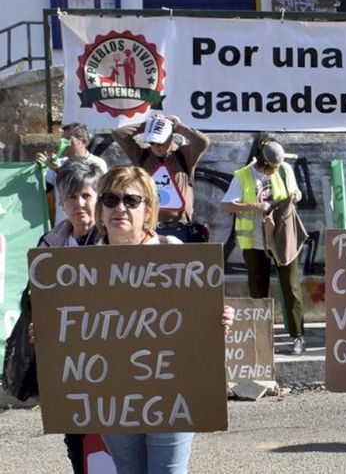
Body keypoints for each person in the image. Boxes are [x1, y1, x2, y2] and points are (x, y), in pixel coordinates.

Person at [94, 165, 234, 474]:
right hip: (112, 394)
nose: (120, 208)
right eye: (110, 199)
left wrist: (218, 320)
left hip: (172, 391)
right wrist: (51, 334)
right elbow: (73, 330)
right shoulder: (81, 270)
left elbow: (198, 321)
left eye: (131, 200)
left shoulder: (174, 254)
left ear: (148, 210)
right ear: (100, 211)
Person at [33, 159, 103, 474]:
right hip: (70, 364)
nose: (80, 204)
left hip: (115, 360)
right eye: (72, 198)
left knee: (115, 442)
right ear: (61, 202)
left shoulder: (115, 241)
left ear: (98, 198)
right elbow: (35, 298)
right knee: (77, 440)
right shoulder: (50, 245)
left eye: (86, 196)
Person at [220, 141, 307, 354]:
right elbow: (225, 205)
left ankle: (298, 337)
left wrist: (295, 195)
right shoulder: (243, 176)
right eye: (270, 167)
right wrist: (254, 207)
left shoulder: (285, 169)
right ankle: (260, 339)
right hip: (255, 242)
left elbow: (297, 192)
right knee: (258, 291)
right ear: (260, 160)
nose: (274, 170)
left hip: (282, 239)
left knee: (291, 288)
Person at [111, 113, 211, 242]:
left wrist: (177, 126)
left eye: (160, 142)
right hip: (150, 228)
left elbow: (203, 141)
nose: (156, 146)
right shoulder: (142, 155)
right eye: (152, 142)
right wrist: (149, 125)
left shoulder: (183, 155)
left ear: (170, 137)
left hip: (180, 227)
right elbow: (118, 133)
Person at [35, 123, 108, 225]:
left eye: (69, 140)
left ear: (84, 142)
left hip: (89, 224)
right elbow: (42, 188)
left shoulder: (97, 163)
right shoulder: (60, 162)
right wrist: (40, 167)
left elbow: (79, 184)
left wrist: (59, 170)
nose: (63, 145)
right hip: (63, 224)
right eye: (62, 140)